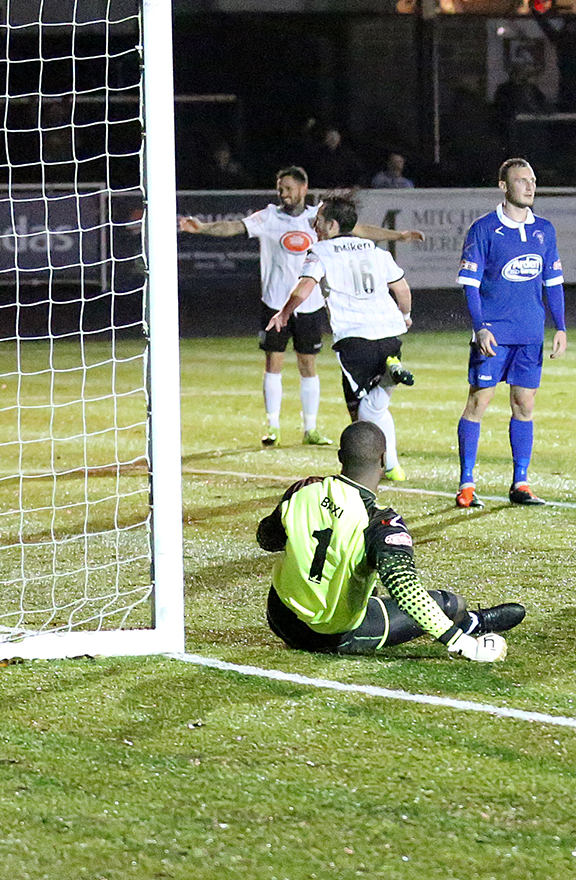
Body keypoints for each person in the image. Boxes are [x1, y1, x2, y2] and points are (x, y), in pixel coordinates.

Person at [178, 167, 422, 448]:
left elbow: (358, 229)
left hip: (311, 304)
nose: (283, 194)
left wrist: (398, 236)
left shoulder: (318, 218)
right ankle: (273, 426)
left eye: (289, 188)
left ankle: (311, 428)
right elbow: (235, 226)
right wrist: (203, 228)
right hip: (275, 302)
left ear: (304, 188)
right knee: (274, 362)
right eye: (280, 188)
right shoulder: (269, 217)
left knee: (308, 364)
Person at [257, 420, 525, 660]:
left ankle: (467, 623)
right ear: (384, 460)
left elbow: (267, 540)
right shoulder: (381, 523)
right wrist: (463, 645)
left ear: (340, 456)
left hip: (280, 616)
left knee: (360, 578)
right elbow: (406, 591)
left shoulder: (305, 490)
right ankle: (471, 624)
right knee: (450, 604)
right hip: (327, 634)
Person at [267, 196, 414, 480]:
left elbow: (304, 287)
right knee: (378, 405)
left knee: (365, 409)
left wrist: (284, 313)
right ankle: (393, 466)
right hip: (391, 334)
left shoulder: (320, 251)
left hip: (355, 337)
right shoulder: (375, 250)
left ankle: (387, 380)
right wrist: (405, 315)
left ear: (332, 225)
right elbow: (403, 289)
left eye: (319, 219)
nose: (314, 223)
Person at [454, 159, 566, 507]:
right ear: (504, 186)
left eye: (533, 179)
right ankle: (467, 484)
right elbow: (470, 284)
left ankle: (521, 482)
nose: (530, 186)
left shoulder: (544, 229)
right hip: (494, 336)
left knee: (524, 404)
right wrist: (480, 327)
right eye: (522, 181)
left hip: (530, 334)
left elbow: (553, 283)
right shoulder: (484, 229)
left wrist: (559, 326)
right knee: (479, 401)